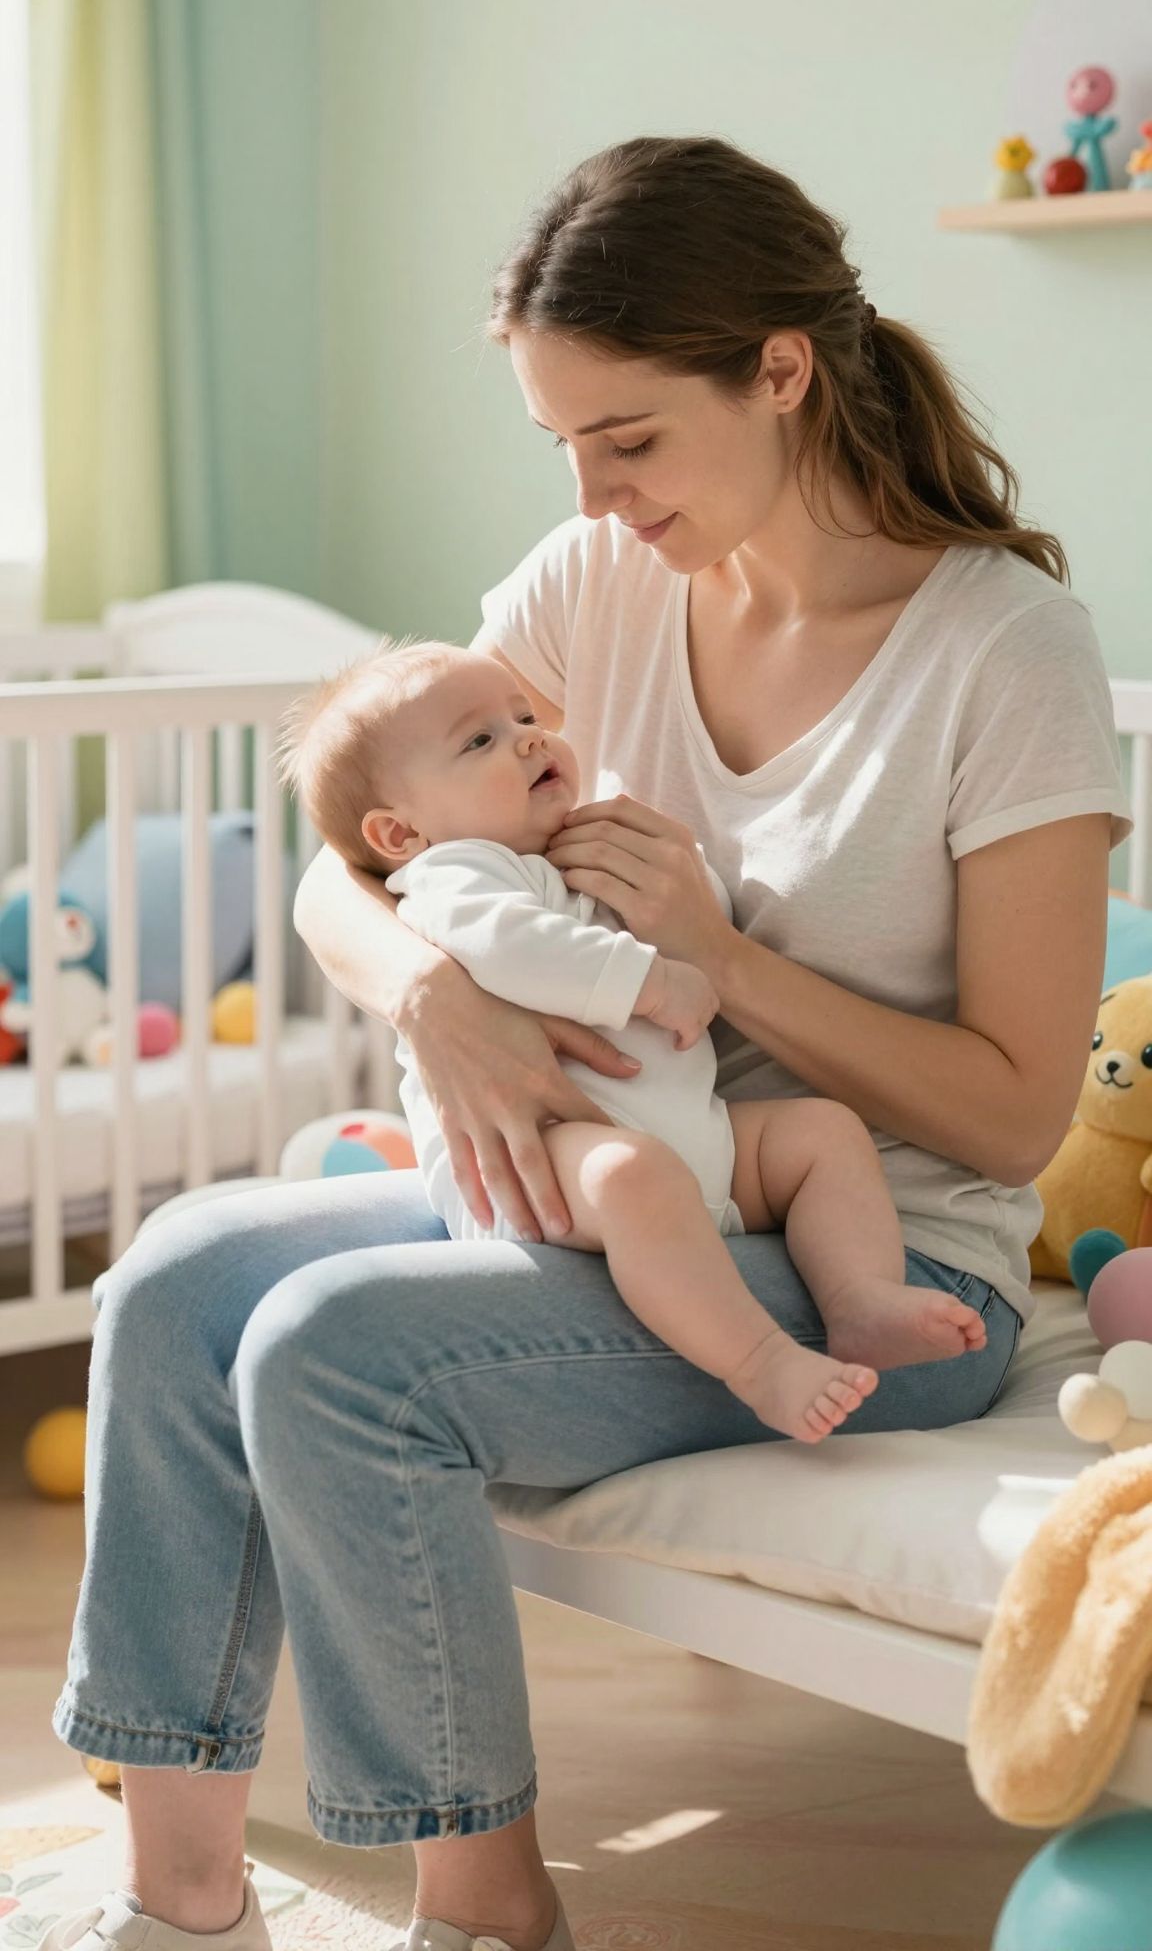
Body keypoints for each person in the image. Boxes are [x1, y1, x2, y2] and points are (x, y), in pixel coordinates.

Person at [43, 134, 1132, 1951]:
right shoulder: (590, 586)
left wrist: (717, 955)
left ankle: (486, 1913)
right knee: (171, 1275)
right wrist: (434, 999)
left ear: (780, 367)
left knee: (331, 1350)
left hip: (871, 1263)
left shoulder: (998, 653)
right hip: (587, 1197)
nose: (596, 491)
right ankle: (179, 1893)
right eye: (563, 445)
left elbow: (1019, 1116)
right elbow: (346, 864)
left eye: (626, 438)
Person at [278, 638, 990, 1444]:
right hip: (551, 1172)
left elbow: (689, 928)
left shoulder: (568, 853)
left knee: (821, 1134)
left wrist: (683, 889)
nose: (528, 737)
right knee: (633, 1175)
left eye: (523, 716)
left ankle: (860, 1299)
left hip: (698, 1154)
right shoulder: (454, 877)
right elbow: (512, 947)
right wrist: (650, 982)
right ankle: (762, 1362)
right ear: (400, 834)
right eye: (479, 740)